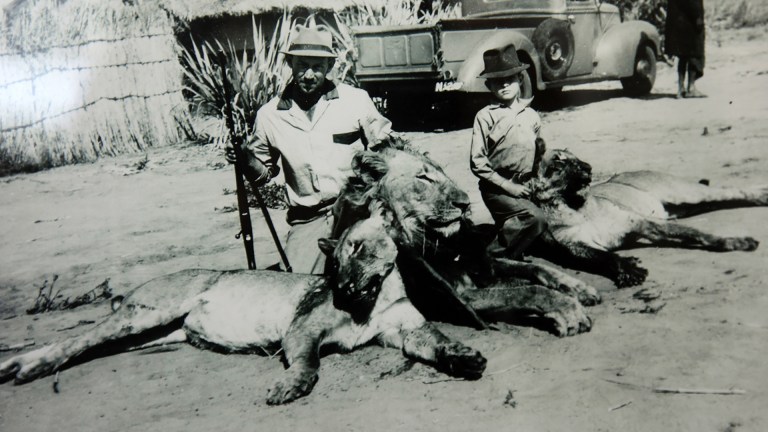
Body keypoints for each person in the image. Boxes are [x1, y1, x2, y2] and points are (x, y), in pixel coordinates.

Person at [228, 24, 392, 274]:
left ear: (329, 67)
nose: (308, 75)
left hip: (358, 211)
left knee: (377, 276)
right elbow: (262, 176)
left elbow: (387, 151)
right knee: (301, 289)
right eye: (302, 65)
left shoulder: (356, 101)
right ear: (290, 64)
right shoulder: (269, 116)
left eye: (317, 67)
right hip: (308, 218)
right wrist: (245, 158)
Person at [469, 44, 547, 261]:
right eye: (497, 80)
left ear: (520, 79)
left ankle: (513, 248)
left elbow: (538, 154)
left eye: (510, 78)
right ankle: (490, 260)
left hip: (525, 185)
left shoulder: (531, 116)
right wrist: (508, 186)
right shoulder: (485, 116)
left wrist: (535, 183)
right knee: (535, 219)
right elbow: (477, 162)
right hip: (497, 188)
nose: (504, 84)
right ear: (488, 85)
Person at [665, 0, 706, 98]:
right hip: (690, 23)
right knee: (693, 55)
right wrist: (698, 17)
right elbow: (693, 3)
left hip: (678, 22)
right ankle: (691, 88)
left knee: (682, 56)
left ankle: (680, 89)